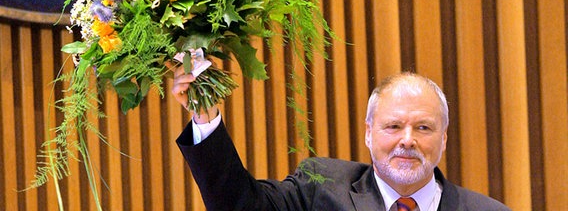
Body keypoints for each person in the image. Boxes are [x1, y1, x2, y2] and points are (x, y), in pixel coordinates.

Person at [172, 69, 511, 210]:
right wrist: (205, 115)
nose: (407, 140)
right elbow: (239, 205)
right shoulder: (319, 188)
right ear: (368, 132)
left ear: (444, 138)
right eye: (393, 127)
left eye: (423, 128)